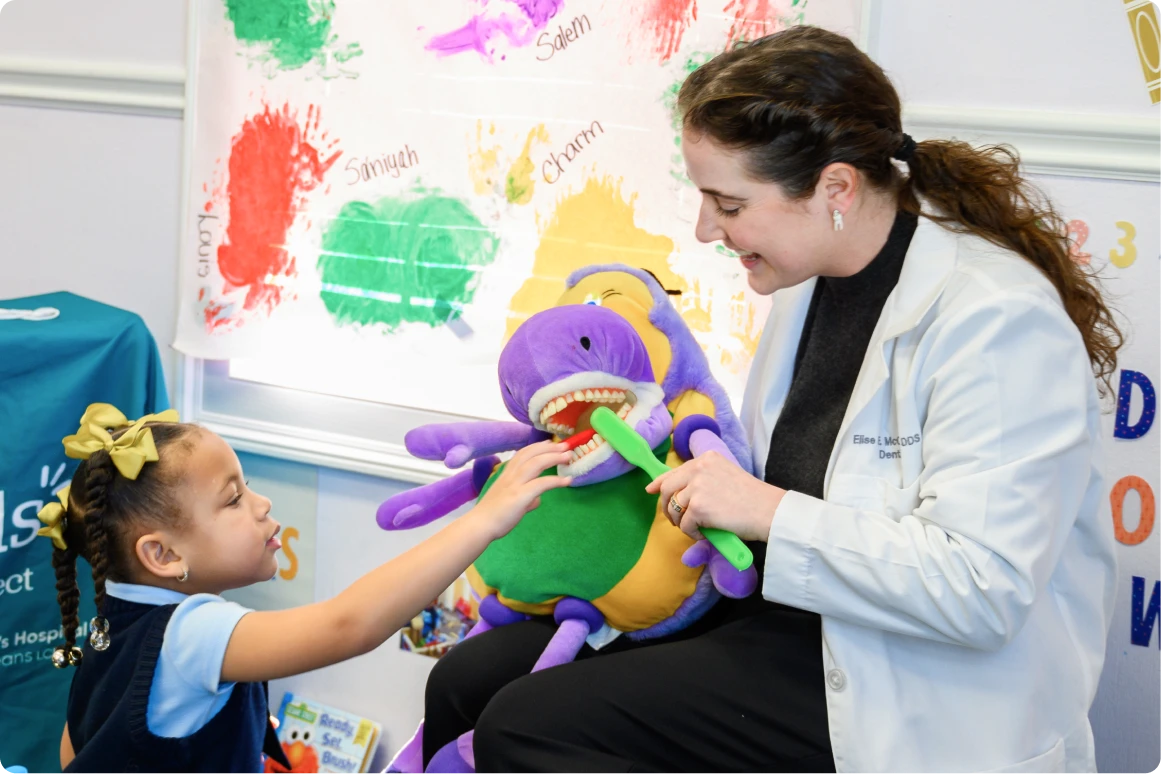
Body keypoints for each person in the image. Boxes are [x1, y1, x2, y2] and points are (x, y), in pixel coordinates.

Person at [423, 25, 1121, 774]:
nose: (704, 228)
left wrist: (763, 509)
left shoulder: (994, 321)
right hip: (785, 623)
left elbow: (982, 591)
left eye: (727, 203)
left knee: (530, 728)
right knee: (465, 681)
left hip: (908, 683)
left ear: (835, 189)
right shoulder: (803, 286)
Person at [38, 403, 571, 773]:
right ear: (163, 555)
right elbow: (350, 624)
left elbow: (78, 746)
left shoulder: (112, 618)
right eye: (233, 499)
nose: (262, 504)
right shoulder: (191, 633)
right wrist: (484, 521)